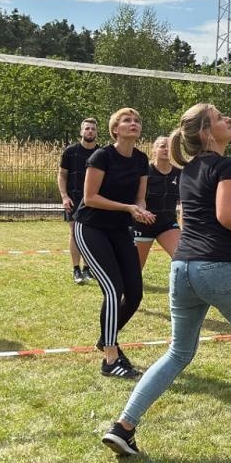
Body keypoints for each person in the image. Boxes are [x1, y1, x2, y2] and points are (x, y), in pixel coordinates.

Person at [102, 104, 231, 460]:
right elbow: (226, 214)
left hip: (184, 267)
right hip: (219, 268)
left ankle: (123, 427)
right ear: (207, 133)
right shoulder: (226, 166)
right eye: (221, 118)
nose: (229, 120)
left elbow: (203, 223)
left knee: (178, 353)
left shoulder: (189, 169)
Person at [75, 108, 154, 380]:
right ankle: (110, 359)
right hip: (91, 227)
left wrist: (140, 209)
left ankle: (105, 338)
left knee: (134, 293)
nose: (134, 124)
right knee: (113, 289)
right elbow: (90, 198)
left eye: (137, 120)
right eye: (127, 121)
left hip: (120, 229)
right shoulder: (101, 156)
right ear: (115, 130)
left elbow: (140, 198)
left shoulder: (142, 159)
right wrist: (129, 207)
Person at [58, 118, 99, 285]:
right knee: (75, 233)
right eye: (87, 128)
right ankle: (76, 269)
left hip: (94, 200)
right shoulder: (70, 151)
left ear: (96, 133)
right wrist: (64, 196)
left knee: (92, 235)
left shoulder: (101, 153)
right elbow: (62, 175)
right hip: (74, 199)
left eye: (93, 129)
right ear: (81, 132)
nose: (90, 131)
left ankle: (88, 268)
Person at [134, 135, 182, 269]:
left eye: (169, 146)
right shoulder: (144, 172)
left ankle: (179, 287)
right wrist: (140, 212)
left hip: (167, 224)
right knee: (135, 270)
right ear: (154, 150)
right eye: (162, 146)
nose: (166, 149)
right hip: (143, 224)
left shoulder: (180, 173)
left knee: (183, 259)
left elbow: (185, 202)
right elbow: (136, 199)